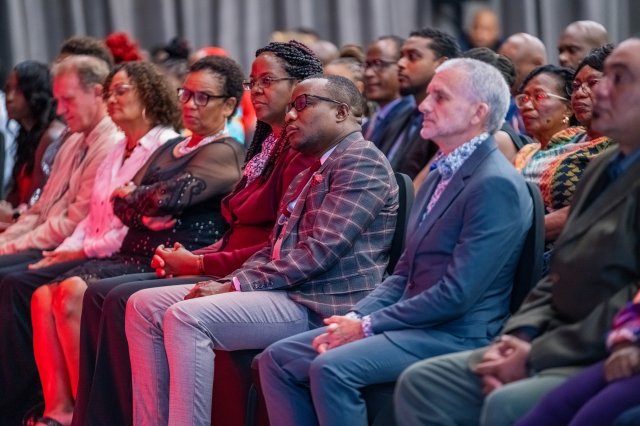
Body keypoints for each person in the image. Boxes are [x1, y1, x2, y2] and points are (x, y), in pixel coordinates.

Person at [258, 58, 533, 426]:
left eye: (439, 97)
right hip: (414, 322)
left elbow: (457, 294)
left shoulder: (494, 183)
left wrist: (367, 325)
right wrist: (356, 317)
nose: (424, 105)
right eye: (428, 95)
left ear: (477, 113)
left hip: (456, 333)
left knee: (330, 368)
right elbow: (403, 274)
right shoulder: (440, 173)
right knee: (277, 360)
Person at [70, 40, 320, 426]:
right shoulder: (265, 145)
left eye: (267, 81)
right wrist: (198, 255)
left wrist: (201, 262)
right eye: (253, 81)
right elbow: (130, 205)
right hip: (221, 258)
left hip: (256, 275)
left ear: (300, 87)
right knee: (114, 297)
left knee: (121, 299)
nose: (256, 90)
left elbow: (276, 243)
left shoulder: (288, 151)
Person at [393, 37, 640, 426]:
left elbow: (630, 297)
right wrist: (520, 334)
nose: (598, 91)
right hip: (545, 335)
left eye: (618, 79)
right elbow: (559, 271)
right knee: (423, 383)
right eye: (597, 79)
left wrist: (536, 353)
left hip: (602, 348)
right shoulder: (601, 167)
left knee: (506, 403)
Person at [125, 74, 399, 425]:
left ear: (342, 112)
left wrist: (234, 285)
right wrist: (231, 280)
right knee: (144, 306)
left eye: (302, 105)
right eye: (290, 107)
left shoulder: (361, 161)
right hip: (287, 291)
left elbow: (318, 253)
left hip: (319, 302)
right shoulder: (312, 169)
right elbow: (274, 248)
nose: (290, 116)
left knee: (186, 317)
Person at [20, 61, 181, 426]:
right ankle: (59, 408)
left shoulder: (164, 145)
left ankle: (88, 411)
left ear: (148, 95)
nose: (112, 100)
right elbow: (92, 216)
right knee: (41, 296)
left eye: (121, 91)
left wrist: (82, 250)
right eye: (108, 93)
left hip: (140, 250)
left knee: (69, 293)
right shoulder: (117, 149)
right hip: (105, 247)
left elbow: (134, 223)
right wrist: (66, 249)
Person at [0, 55, 120, 425]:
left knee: (13, 282)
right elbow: (41, 210)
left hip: (82, 243)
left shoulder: (109, 141)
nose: (61, 109)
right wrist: (6, 242)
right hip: (61, 237)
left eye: (68, 99)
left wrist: (9, 245)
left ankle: (20, 404)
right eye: (58, 100)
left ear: (97, 93)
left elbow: (73, 221)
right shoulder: (73, 139)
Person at [516, 46, 614, 243]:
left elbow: (590, 210)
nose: (579, 93)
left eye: (592, 83)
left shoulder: (621, 145)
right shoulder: (566, 137)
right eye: (576, 86)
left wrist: (511, 234)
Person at [517, 289, 640, 426]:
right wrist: (625, 342)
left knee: (598, 412)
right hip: (628, 350)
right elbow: (634, 310)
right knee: (556, 405)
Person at [377, 28, 460, 179]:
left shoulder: (450, 124)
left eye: (412, 57)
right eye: (401, 56)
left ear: (442, 65)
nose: (400, 64)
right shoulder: (399, 117)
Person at [0, 61, 66, 224]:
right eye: (7, 90)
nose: (9, 98)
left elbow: (37, 200)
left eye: (18, 91)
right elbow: (14, 198)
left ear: (36, 94)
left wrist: (12, 214)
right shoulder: (26, 136)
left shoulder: (52, 136)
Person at [361, 35, 414, 149]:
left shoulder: (412, 119)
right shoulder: (368, 125)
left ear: (402, 65)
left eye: (378, 64)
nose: (368, 73)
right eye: (367, 65)